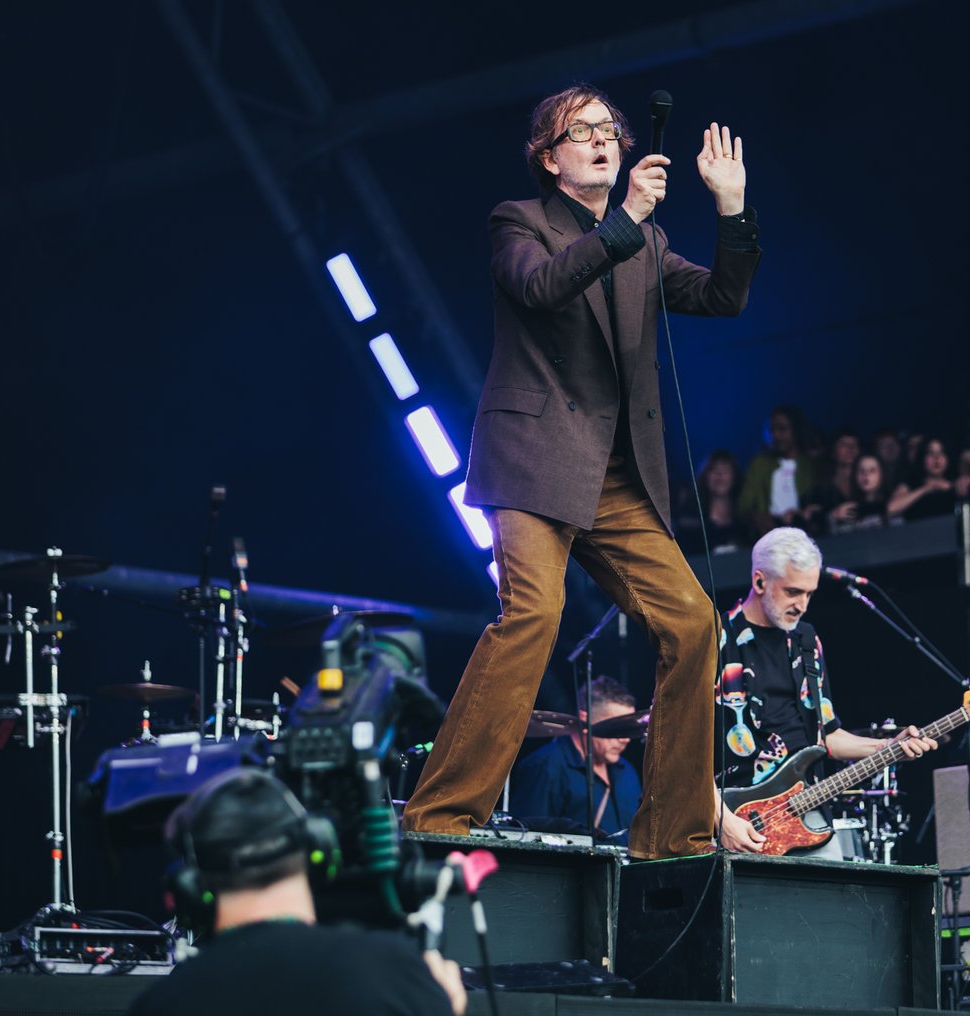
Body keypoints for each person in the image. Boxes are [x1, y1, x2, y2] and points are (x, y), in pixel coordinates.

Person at [401, 84, 760, 861]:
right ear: (549, 158)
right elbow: (541, 285)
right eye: (581, 131)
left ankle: (672, 838)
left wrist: (732, 210)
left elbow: (724, 297)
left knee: (693, 622)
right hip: (534, 460)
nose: (601, 140)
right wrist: (626, 218)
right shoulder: (519, 220)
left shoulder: (647, 243)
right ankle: (439, 814)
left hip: (614, 476)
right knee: (533, 615)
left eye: (609, 129)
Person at [129, 770, 464, 1016]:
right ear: (321, 853)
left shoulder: (162, 1003)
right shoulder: (394, 971)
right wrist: (438, 1003)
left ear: (190, 888)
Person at [714, 528, 936, 857]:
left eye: (809, 594)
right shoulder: (717, 640)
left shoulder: (806, 642)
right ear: (760, 582)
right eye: (792, 592)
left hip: (804, 813)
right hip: (736, 817)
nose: (802, 605)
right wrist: (720, 817)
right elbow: (685, 747)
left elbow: (827, 736)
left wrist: (890, 748)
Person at [510, 676, 641, 843]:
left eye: (628, 728)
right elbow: (526, 838)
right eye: (617, 727)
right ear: (585, 719)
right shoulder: (545, 766)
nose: (625, 739)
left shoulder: (627, 771)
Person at [738, 405, 817, 540]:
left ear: (796, 430)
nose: (776, 435)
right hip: (770, 537)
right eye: (772, 430)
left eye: (782, 429)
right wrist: (759, 517)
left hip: (806, 537)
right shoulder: (760, 464)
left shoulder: (810, 465)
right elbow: (743, 507)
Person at [674, 449, 743, 552]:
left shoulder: (744, 519)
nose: (720, 476)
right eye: (714, 470)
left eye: (726, 470)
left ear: (735, 476)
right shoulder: (691, 520)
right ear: (705, 476)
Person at [888, 438, 958, 520]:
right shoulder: (911, 484)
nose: (936, 458)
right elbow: (891, 509)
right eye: (930, 453)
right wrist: (928, 488)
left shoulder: (956, 483)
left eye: (942, 452)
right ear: (922, 458)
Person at [826, 452, 891, 533]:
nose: (866, 475)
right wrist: (833, 517)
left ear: (882, 474)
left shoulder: (893, 504)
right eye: (861, 470)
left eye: (872, 470)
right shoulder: (848, 509)